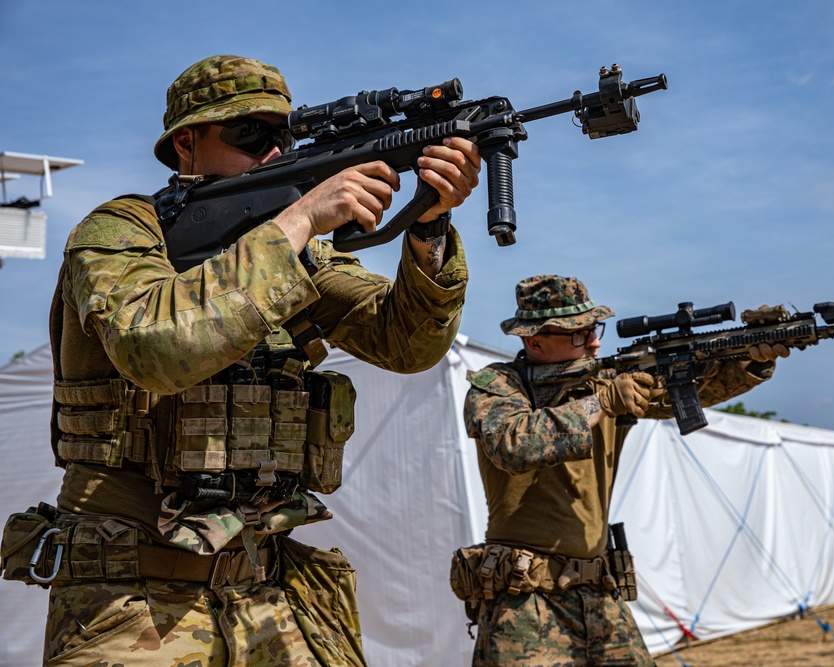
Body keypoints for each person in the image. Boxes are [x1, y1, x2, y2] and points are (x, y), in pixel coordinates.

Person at [1, 55, 480, 666]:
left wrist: (427, 227)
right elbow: (153, 347)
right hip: (128, 602)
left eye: (283, 136)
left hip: (265, 593)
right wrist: (299, 222)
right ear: (186, 144)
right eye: (249, 136)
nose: (274, 153)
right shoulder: (122, 231)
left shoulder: (292, 254)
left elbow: (405, 343)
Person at [454, 275, 788, 666]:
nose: (594, 342)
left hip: (599, 590)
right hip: (525, 599)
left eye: (594, 329)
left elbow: (693, 390)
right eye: (578, 335)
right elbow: (511, 444)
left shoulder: (606, 380)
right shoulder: (498, 385)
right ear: (534, 341)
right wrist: (600, 404)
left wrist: (750, 357)